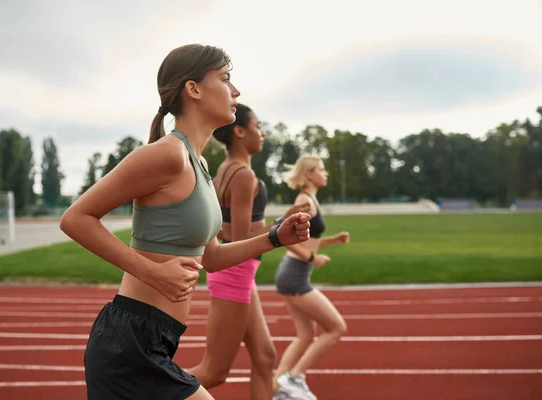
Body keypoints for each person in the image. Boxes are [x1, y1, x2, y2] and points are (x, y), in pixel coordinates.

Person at [59, 44, 312, 400]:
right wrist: (152, 272)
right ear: (193, 89)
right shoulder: (167, 155)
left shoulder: (200, 165)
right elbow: (76, 218)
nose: (236, 90)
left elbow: (210, 258)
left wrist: (274, 237)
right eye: (225, 79)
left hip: (155, 340)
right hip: (129, 344)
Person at [186, 104, 310, 400]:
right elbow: (239, 239)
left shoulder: (225, 169)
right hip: (235, 273)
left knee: (265, 357)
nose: (262, 132)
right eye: (257, 126)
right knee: (214, 371)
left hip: (239, 274)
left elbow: (227, 231)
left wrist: (278, 223)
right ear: (240, 131)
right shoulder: (242, 175)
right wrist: (281, 226)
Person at [271, 155, 350, 400]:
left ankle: (278, 387)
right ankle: (293, 378)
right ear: (309, 175)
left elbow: (307, 240)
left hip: (292, 274)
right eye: (321, 169)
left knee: (306, 335)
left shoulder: (310, 200)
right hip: (295, 276)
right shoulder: (305, 202)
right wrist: (310, 258)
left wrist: (332, 240)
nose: (325, 173)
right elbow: (280, 236)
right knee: (336, 327)